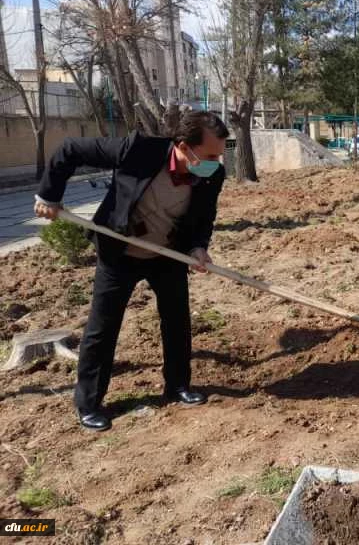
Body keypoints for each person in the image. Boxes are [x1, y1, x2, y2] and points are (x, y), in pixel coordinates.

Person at [34, 111, 228, 431]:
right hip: (119, 253)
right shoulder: (138, 150)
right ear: (182, 146)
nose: (216, 161)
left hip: (168, 253)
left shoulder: (212, 175)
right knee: (103, 327)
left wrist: (198, 247)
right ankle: (89, 403)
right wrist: (49, 195)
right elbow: (70, 149)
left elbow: (204, 217)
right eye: (210, 155)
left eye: (219, 155)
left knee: (177, 320)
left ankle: (177, 385)